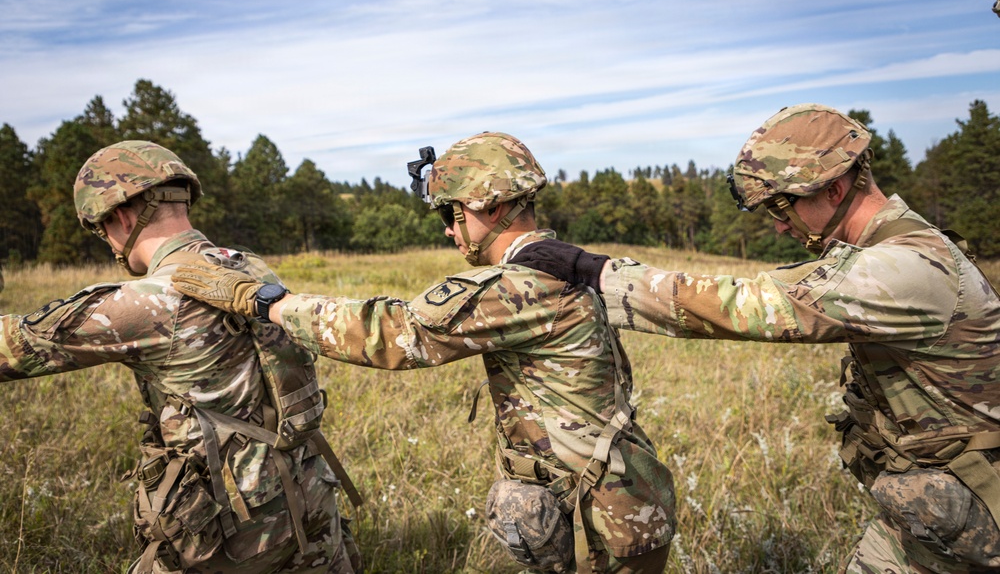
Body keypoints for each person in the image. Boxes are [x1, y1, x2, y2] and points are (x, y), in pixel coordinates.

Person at [513, 103, 1000, 573]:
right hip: (934, 510)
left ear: (835, 188)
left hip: (973, 511)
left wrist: (596, 273)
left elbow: (745, 306)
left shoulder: (903, 267)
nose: (777, 223)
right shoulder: (892, 247)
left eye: (783, 205)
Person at [171, 132, 676, 574]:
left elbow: (393, 334)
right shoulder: (558, 265)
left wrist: (265, 302)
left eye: (450, 215)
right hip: (608, 500)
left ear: (490, 208)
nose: (447, 230)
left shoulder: (522, 284)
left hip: (607, 519)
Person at [0, 140, 361, 574]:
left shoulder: (145, 301)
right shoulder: (251, 267)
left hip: (231, 531)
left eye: (99, 229)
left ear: (120, 215)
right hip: (309, 504)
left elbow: (15, 347)